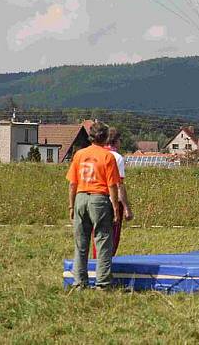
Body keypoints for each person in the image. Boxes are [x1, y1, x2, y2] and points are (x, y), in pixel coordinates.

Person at [66, 121, 120, 289]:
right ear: (104, 138)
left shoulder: (79, 155)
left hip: (81, 198)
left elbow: (72, 183)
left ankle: (79, 282)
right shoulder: (107, 157)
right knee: (103, 240)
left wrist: (71, 205)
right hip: (99, 199)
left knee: (81, 243)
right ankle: (103, 283)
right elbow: (112, 185)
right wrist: (116, 208)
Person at [92, 127, 133, 257]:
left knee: (97, 235)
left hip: (94, 199)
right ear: (115, 141)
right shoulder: (116, 157)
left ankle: (95, 263)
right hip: (111, 200)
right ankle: (107, 264)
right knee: (112, 238)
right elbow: (118, 184)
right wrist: (126, 207)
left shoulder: (95, 154)